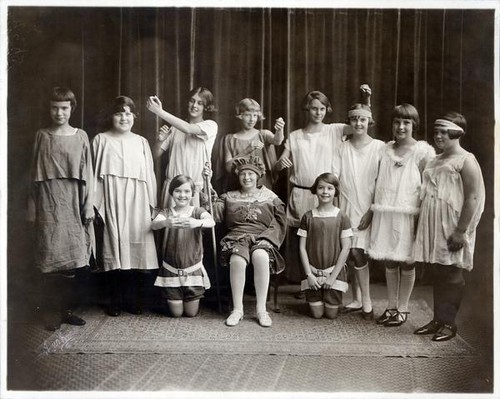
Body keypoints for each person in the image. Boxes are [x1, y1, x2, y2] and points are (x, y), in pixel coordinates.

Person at [275, 85, 370, 292]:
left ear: (327, 110)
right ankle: (307, 284)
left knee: (328, 242)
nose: (317, 112)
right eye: (313, 108)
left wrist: (366, 99)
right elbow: (279, 161)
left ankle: (332, 283)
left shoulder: (334, 130)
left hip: (326, 195)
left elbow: (362, 124)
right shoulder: (295, 136)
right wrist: (280, 164)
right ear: (306, 110)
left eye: (321, 108)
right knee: (305, 242)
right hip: (302, 193)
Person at [412, 112, 485, 342]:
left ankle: (449, 324)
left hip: (453, 225)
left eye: (444, 132)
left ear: (457, 133)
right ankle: (438, 320)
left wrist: (461, 231)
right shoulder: (434, 159)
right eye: (436, 132)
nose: (438, 136)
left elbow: (473, 197)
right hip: (433, 224)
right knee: (438, 271)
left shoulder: (466, 160)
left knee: (452, 273)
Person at [27, 86, 94, 331]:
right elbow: (33, 173)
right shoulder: (42, 135)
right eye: (55, 108)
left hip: (73, 201)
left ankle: (66, 310)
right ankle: (52, 311)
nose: (59, 112)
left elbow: (88, 173)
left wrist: (88, 204)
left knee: (71, 260)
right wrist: (32, 205)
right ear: (49, 109)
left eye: (64, 108)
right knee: (50, 257)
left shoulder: (81, 135)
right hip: (48, 201)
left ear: (71, 109)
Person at [367, 104, 435, 327]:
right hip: (386, 212)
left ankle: (403, 308)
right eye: (397, 122)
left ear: (414, 125)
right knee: (389, 259)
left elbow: (428, 188)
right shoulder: (384, 150)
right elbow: (377, 181)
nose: (401, 126)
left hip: (409, 214)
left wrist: (421, 218)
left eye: (406, 122)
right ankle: (391, 306)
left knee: (406, 261)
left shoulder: (423, 152)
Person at [93, 96, 159, 317]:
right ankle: (115, 300)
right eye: (119, 113)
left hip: (138, 199)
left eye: (128, 113)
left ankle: (134, 300)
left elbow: (149, 173)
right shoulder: (101, 140)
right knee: (114, 245)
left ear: (134, 117)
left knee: (137, 246)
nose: (124, 117)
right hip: (111, 197)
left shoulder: (141, 142)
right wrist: (95, 204)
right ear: (111, 117)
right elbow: (94, 175)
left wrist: (152, 204)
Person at [202, 156, 287, 327]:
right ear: (238, 176)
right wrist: (207, 185)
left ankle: (262, 310)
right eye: (243, 174)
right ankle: (237, 309)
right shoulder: (228, 197)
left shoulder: (271, 197)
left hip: (263, 236)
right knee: (237, 259)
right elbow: (215, 216)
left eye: (251, 174)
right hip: (236, 237)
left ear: (258, 176)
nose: (247, 177)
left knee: (261, 256)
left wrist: (268, 239)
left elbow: (279, 222)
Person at [333, 102, 385, 319]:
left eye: (362, 119)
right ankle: (356, 299)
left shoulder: (380, 147)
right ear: (349, 121)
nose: (358, 123)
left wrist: (372, 210)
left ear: (369, 122)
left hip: (367, 205)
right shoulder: (342, 147)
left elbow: (382, 182)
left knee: (358, 252)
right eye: (354, 119)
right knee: (352, 253)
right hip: (346, 204)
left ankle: (367, 302)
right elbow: (335, 176)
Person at [152, 174, 215, 317]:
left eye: (187, 191)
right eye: (178, 191)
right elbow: (154, 225)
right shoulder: (166, 212)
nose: (182, 195)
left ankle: (187, 295)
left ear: (192, 194)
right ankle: (171, 296)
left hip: (192, 269)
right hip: (171, 269)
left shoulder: (198, 212)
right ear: (171, 193)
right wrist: (165, 222)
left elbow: (211, 222)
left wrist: (196, 222)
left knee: (191, 313)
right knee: (176, 313)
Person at [146, 87, 218, 208]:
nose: (194, 105)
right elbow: (154, 156)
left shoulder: (210, 125)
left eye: (200, 103)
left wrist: (159, 111)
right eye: (192, 101)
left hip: (196, 189)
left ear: (206, 107)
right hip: (173, 188)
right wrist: (160, 141)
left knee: (194, 225)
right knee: (170, 225)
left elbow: (188, 129)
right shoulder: (174, 128)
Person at [298, 173, 352, 319]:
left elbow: (346, 248)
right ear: (315, 190)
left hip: (333, 273)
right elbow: (302, 248)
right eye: (321, 188)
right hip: (313, 273)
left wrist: (332, 277)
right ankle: (315, 294)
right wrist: (309, 274)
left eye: (329, 188)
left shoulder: (342, 217)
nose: (325, 192)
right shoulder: (307, 216)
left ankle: (329, 295)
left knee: (331, 314)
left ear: (336, 192)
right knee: (317, 314)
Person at [222, 98, 285, 191]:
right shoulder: (229, 139)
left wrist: (280, 130)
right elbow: (228, 167)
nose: (252, 119)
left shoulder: (263, 134)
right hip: (237, 189)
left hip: (262, 188)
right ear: (240, 115)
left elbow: (277, 141)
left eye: (255, 115)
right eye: (248, 115)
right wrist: (247, 150)